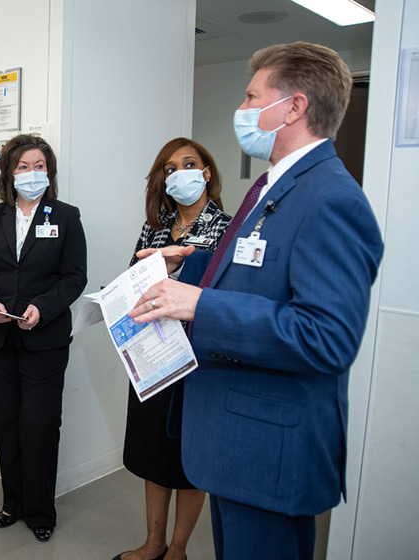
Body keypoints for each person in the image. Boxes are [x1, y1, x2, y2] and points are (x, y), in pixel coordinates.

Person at [129, 42, 384, 560]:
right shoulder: (271, 190)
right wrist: (184, 272)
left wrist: (200, 306)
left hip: (269, 448)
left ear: (293, 107)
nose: (241, 110)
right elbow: (252, 282)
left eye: (251, 97)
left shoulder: (329, 197)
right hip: (235, 439)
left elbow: (326, 337)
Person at [0, 134, 88, 543]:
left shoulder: (66, 216)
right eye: (22, 166)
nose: (31, 173)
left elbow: (74, 277)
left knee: (39, 425)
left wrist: (43, 309)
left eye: (38, 166)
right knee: (6, 423)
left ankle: (39, 510)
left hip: (44, 340)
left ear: (49, 172)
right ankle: (11, 502)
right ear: (9, 173)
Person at [113, 138, 231, 560]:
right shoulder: (155, 227)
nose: (177, 173)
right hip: (150, 353)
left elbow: (221, 298)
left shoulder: (228, 228)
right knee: (152, 453)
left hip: (196, 360)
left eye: (188, 163)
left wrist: (181, 267)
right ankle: (153, 542)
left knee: (188, 457)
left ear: (207, 172)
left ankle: (177, 549)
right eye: (168, 167)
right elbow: (134, 283)